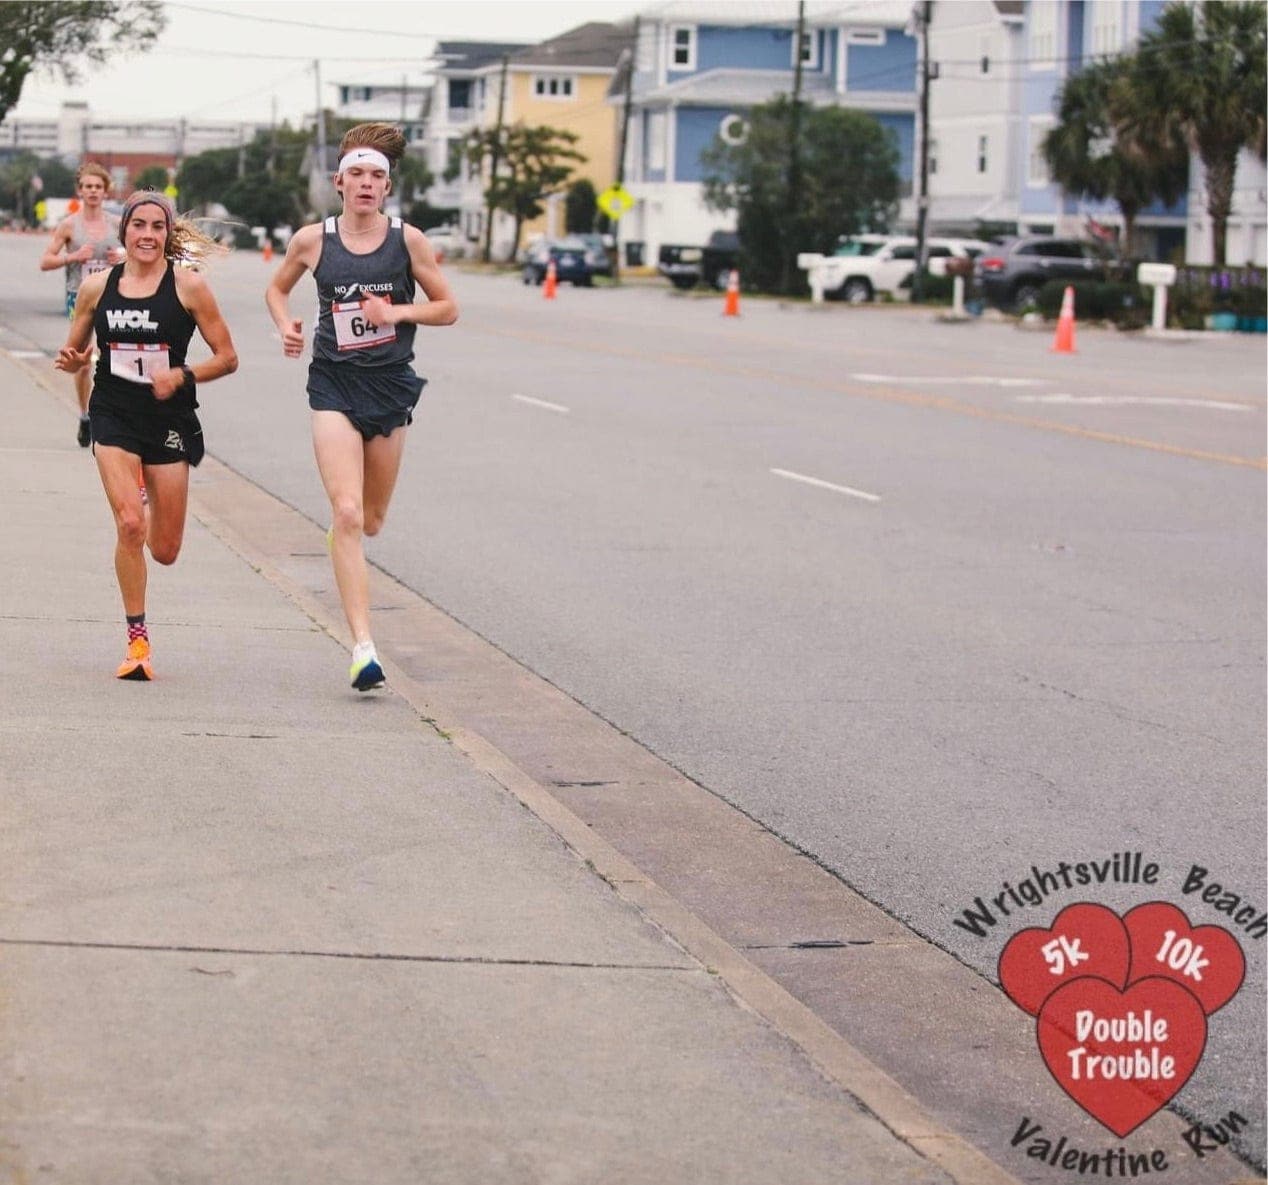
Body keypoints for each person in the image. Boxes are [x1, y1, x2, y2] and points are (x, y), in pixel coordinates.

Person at [265, 122, 457, 692]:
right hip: (333, 384)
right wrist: (286, 325)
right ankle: (363, 647)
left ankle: (346, 539)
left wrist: (396, 314)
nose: (367, 184)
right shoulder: (312, 240)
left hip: (390, 386)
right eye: (358, 175)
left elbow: (447, 307)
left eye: (377, 176)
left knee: (371, 520)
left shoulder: (408, 241)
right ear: (339, 183)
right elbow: (276, 289)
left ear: (387, 187)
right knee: (346, 512)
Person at [55, 191, 238, 681]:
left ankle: (148, 494)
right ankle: (137, 641)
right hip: (114, 412)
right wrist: (74, 359)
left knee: (165, 549)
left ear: (168, 234)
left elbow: (227, 357)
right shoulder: (97, 288)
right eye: (139, 225)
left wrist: (183, 376)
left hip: (169, 419)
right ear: (125, 231)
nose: (148, 235)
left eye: (158, 227)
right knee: (130, 525)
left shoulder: (189, 288)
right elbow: (74, 348)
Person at [40, 163, 125, 447]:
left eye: (98, 187)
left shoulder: (117, 224)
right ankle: (85, 415)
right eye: (88, 186)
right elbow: (46, 261)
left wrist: (122, 257)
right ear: (80, 190)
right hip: (79, 295)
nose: (93, 191)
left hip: (114, 296)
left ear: (105, 191)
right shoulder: (69, 225)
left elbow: (140, 252)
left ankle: (109, 415)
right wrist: (73, 256)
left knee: (110, 357)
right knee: (83, 361)